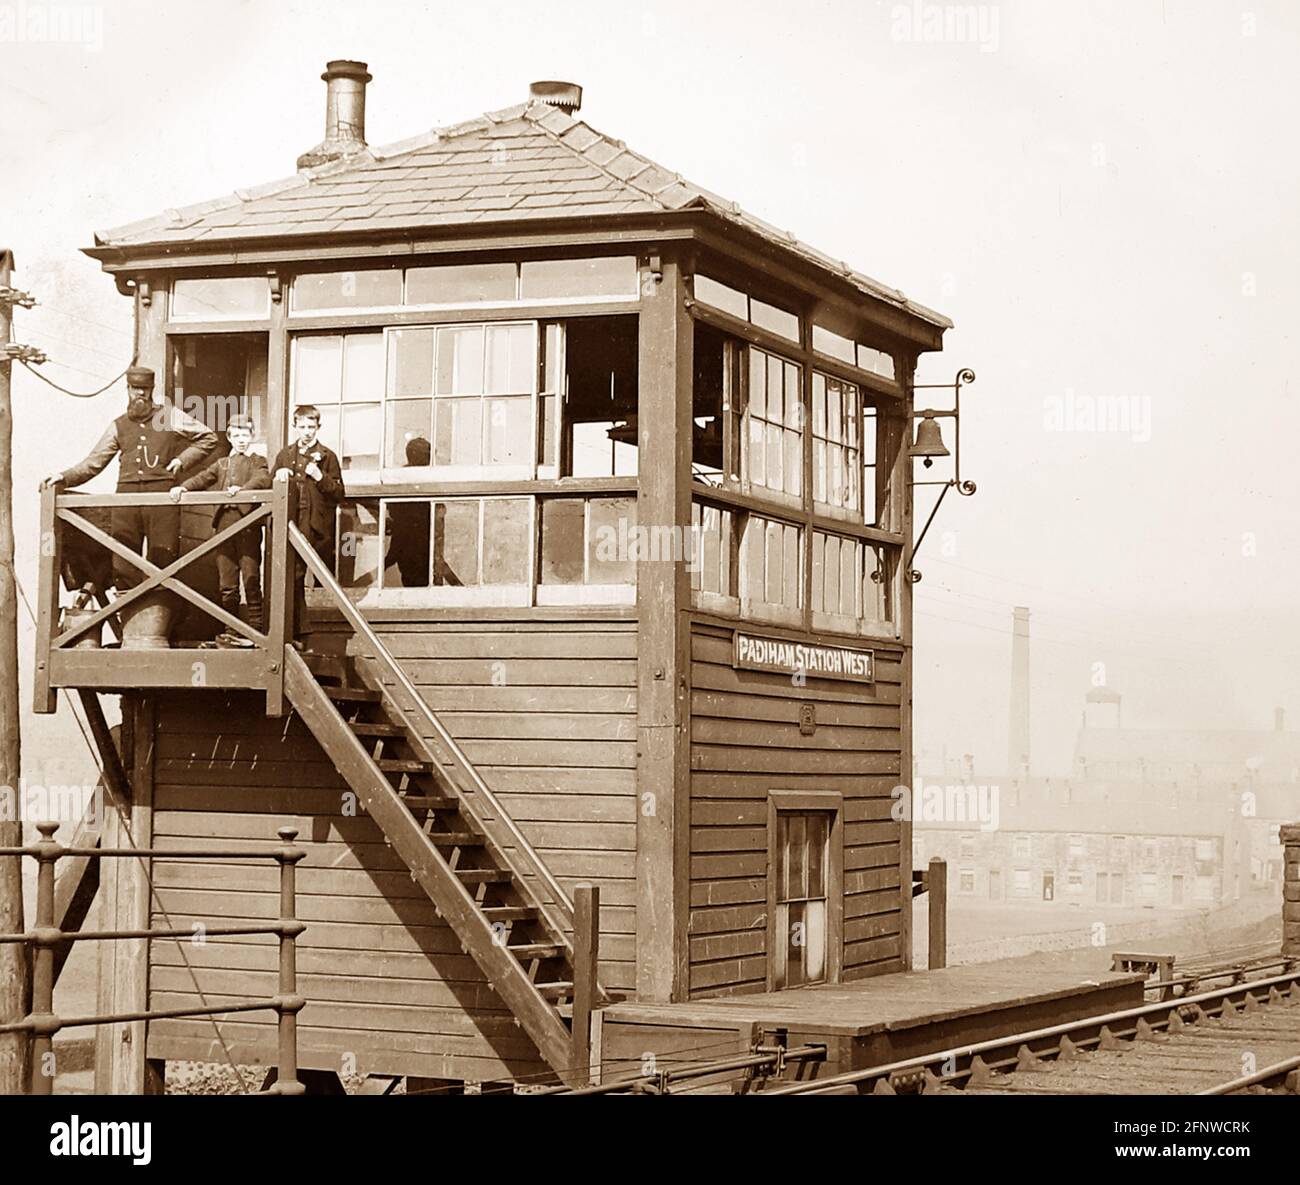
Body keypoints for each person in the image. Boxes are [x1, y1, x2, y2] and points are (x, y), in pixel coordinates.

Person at [42, 366, 218, 592]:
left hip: (161, 499)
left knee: (163, 559)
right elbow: (93, 463)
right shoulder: (118, 425)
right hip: (126, 500)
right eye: (136, 389)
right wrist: (63, 476)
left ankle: (156, 620)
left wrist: (182, 460)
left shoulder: (169, 416)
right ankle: (130, 618)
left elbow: (208, 437)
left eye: (145, 389)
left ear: (152, 390)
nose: (140, 394)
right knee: (123, 562)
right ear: (128, 389)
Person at [170, 414, 271, 646]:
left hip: (248, 526)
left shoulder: (258, 460)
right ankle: (231, 631)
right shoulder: (222, 463)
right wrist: (182, 487)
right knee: (227, 584)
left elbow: (262, 479)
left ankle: (256, 633)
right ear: (230, 437)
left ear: (252, 435)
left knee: (252, 579)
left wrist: (242, 490)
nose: (241, 440)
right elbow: (202, 478)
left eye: (245, 434)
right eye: (236, 435)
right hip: (224, 527)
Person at [271, 405, 344, 644]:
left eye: (311, 427)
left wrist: (320, 476)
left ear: (318, 428)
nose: (307, 432)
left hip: (314, 524)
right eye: (302, 427)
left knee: (308, 573)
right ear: (295, 427)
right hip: (289, 521)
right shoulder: (285, 455)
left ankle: (302, 633)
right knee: (291, 574)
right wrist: (278, 476)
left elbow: (338, 493)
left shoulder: (328, 456)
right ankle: (294, 632)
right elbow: (270, 485)